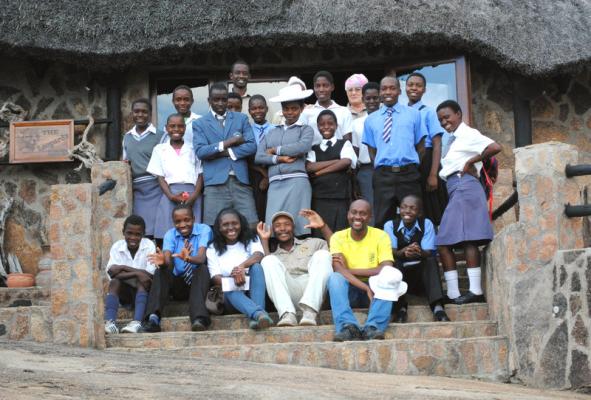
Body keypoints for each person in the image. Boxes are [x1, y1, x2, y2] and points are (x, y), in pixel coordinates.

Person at [436, 100, 502, 305]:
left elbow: (495, 147)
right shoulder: (454, 139)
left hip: (465, 186)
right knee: (459, 240)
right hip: (457, 187)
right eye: (440, 120)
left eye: (447, 116)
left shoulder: (467, 133)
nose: (444, 122)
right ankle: (459, 293)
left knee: (449, 241)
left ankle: (471, 291)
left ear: (458, 114)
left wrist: (471, 161)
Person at [327, 200, 407, 341]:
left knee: (390, 274)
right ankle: (348, 327)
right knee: (335, 278)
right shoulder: (337, 237)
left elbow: (386, 268)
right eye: (354, 212)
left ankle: (373, 327)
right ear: (348, 215)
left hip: (377, 291)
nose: (358, 217)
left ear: (370, 217)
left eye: (363, 214)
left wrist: (349, 270)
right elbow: (338, 270)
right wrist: (365, 287)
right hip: (351, 291)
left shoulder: (381, 236)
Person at [362, 76, 426, 228]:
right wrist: (382, 167)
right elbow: (372, 151)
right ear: (380, 93)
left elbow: (421, 147)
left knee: (414, 217)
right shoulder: (371, 120)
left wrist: (411, 166)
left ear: (399, 91)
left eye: (392, 88)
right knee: (382, 219)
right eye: (384, 89)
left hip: (408, 174)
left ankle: (414, 250)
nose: (388, 92)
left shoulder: (413, 114)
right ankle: (387, 251)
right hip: (383, 176)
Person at [194, 83, 259, 227]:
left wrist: (224, 152)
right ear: (209, 100)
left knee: (251, 225)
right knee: (213, 227)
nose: (220, 103)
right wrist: (230, 142)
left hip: (240, 181)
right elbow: (201, 151)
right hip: (214, 183)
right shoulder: (200, 123)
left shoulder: (240, 118)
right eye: (216, 99)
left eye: (224, 99)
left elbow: (251, 146)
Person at [255, 84, 315, 236]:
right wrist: (279, 159)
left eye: (294, 108)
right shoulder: (272, 132)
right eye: (286, 109)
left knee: (300, 226)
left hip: (297, 182)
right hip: (275, 184)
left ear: (301, 109)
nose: (290, 112)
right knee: (273, 227)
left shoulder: (305, 129)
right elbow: (259, 156)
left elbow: (302, 146)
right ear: (282, 110)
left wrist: (275, 150)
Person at [257, 209, 332, 326]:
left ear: (294, 227)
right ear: (273, 230)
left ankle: (310, 311)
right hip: (290, 292)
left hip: (313, 288)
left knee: (323, 255)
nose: (282, 228)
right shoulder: (273, 256)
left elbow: (337, 248)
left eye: (287, 224)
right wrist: (264, 240)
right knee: (267, 260)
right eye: (277, 226)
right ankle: (287, 314)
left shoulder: (313, 243)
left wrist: (323, 226)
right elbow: (268, 271)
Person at [144, 204, 212, 332]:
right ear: (173, 222)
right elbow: (168, 261)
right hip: (179, 285)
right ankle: (153, 318)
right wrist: (164, 262)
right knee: (160, 271)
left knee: (202, 268)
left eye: (187, 220)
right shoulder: (170, 234)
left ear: (194, 218)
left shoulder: (204, 230)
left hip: (198, 284)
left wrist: (188, 258)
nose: (182, 225)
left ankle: (199, 319)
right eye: (178, 222)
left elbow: (201, 258)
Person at [383, 194, 450, 322]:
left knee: (430, 260)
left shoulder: (427, 224)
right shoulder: (390, 225)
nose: (407, 211)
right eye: (404, 207)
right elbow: (392, 251)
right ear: (399, 209)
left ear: (419, 213)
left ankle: (438, 308)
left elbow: (428, 251)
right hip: (402, 275)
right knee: (393, 263)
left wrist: (418, 250)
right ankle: (401, 309)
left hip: (421, 277)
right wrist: (404, 252)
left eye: (412, 208)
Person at [207, 208, 273, 329]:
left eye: (235, 223)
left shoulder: (251, 238)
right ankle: (259, 313)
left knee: (257, 267)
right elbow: (215, 277)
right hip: (231, 298)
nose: (231, 227)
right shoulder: (212, 248)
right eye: (225, 225)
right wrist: (235, 278)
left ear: (241, 224)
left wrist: (241, 267)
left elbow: (259, 255)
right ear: (219, 228)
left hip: (253, 292)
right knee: (227, 285)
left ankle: (255, 318)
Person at [147, 113, 203, 241]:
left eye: (180, 126)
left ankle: (192, 258)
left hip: (192, 194)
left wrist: (195, 195)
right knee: (168, 230)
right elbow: (160, 176)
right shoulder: (159, 149)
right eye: (172, 126)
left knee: (193, 232)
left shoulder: (193, 148)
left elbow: (200, 173)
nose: (176, 129)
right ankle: (168, 258)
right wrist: (171, 196)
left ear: (185, 128)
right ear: (166, 128)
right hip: (170, 193)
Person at [406, 72, 448, 225]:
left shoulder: (428, 112)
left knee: (433, 205)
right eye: (410, 85)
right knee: (415, 203)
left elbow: (437, 143)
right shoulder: (402, 113)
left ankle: (439, 244)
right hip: (410, 160)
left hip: (428, 161)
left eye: (418, 85)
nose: (414, 88)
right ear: (405, 88)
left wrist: (433, 174)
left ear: (424, 90)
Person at [306, 110, 357, 236]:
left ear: (336, 125)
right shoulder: (314, 149)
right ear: (318, 127)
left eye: (330, 123)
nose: (326, 127)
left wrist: (319, 173)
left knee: (339, 233)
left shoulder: (344, 144)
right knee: (320, 233)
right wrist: (336, 161)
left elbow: (346, 162)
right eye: (322, 124)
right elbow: (309, 167)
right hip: (319, 199)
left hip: (340, 198)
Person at [104, 215, 156, 334]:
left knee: (142, 282)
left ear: (143, 234)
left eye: (137, 234)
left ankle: (136, 323)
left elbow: (150, 276)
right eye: (129, 233)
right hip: (125, 294)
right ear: (123, 232)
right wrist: (138, 273)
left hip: (145, 294)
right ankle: (110, 322)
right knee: (115, 282)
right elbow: (112, 273)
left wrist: (122, 268)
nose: (133, 237)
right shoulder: (117, 247)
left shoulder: (149, 245)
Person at [122, 98, 164, 238]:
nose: (140, 115)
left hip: (156, 187)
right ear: (132, 114)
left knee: (158, 229)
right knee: (142, 229)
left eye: (144, 112)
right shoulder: (127, 137)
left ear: (150, 114)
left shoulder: (160, 136)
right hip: (137, 190)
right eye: (136, 111)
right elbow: (125, 162)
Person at [301, 71, 354, 144]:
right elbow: (302, 140)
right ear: (314, 87)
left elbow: (347, 141)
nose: (321, 89)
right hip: (313, 154)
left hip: (339, 154)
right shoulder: (306, 113)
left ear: (332, 87)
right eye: (318, 86)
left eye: (325, 85)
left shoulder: (344, 111)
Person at [351, 82, 380, 216]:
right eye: (368, 98)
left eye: (375, 98)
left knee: (387, 206)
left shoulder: (388, 120)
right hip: (366, 170)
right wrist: (355, 178)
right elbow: (355, 152)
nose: (372, 101)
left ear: (381, 98)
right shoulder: (356, 123)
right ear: (363, 99)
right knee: (370, 208)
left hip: (385, 168)